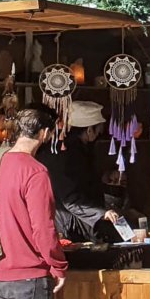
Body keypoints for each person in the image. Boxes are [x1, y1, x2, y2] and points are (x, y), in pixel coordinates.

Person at [0, 107, 67, 299]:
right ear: (44, 133)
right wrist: (58, 266)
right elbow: (43, 228)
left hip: (2, 277)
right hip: (30, 279)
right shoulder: (35, 171)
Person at [37, 101, 122, 243]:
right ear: (89, 130)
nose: (101, 133)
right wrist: (101, 213)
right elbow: (70, 199)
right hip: (71, 223)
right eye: (99, 129)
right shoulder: (69, 155)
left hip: (81, 217)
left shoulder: (77, 152)